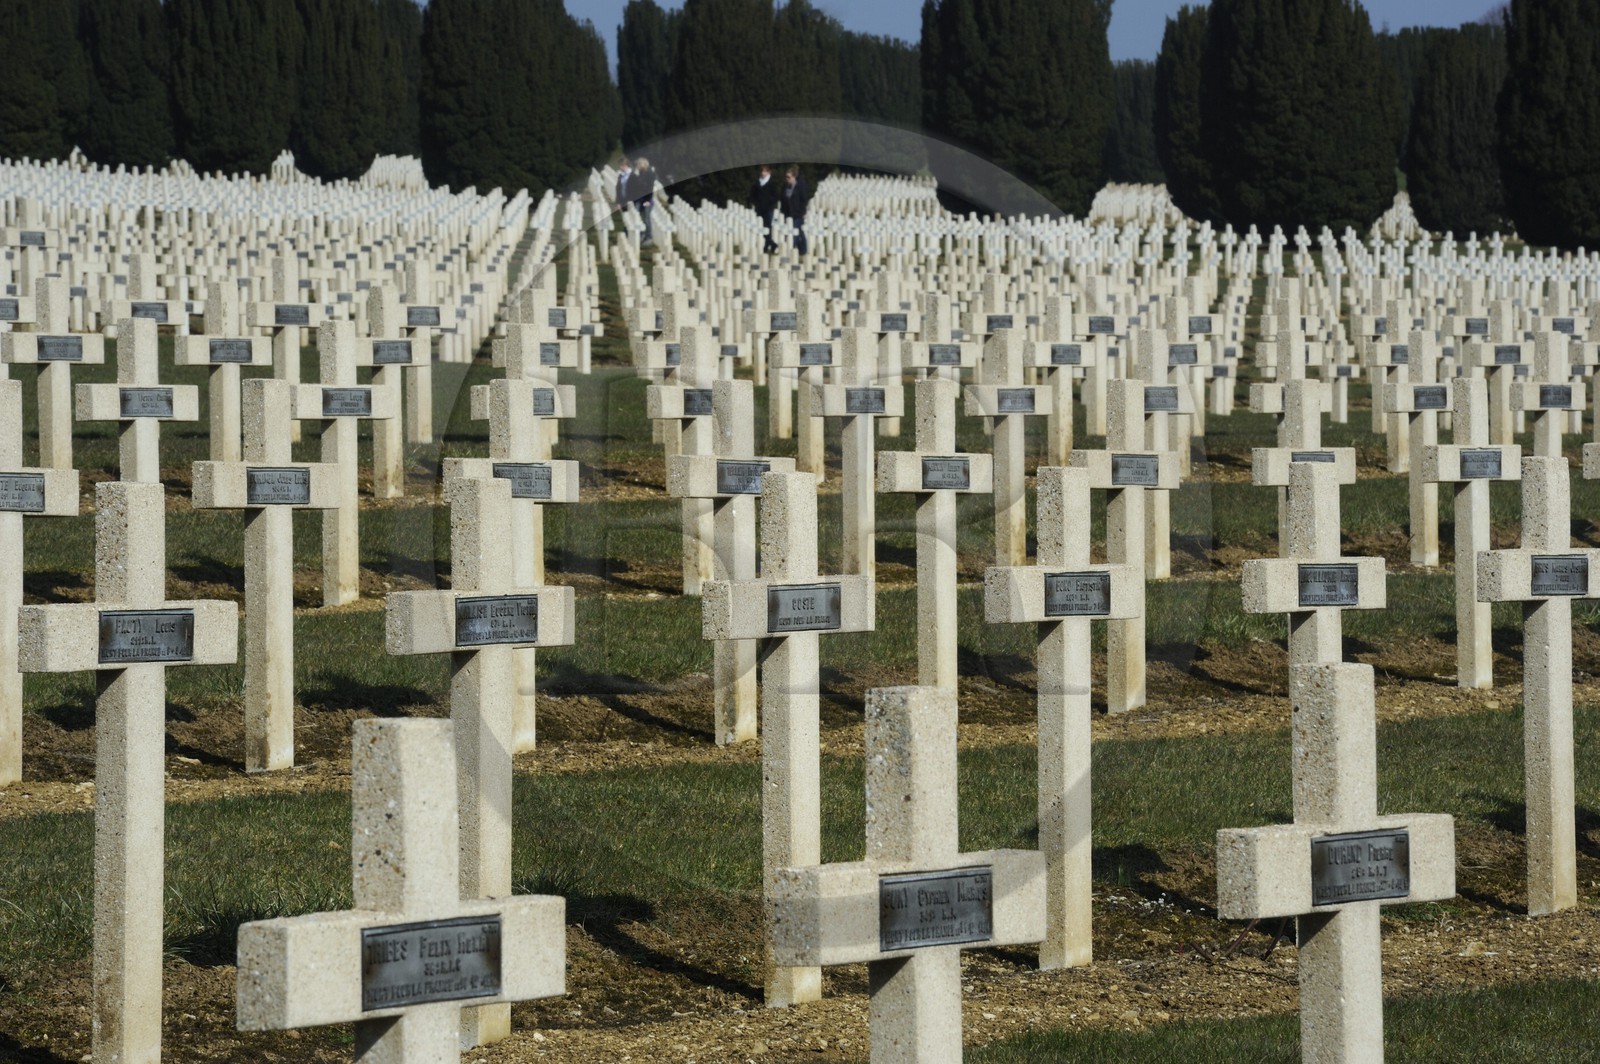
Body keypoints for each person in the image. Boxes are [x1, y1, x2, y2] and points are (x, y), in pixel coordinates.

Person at [781, 165, 810, 256]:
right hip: (788, 213)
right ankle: (802, 250)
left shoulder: (800, 186)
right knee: (798, 232)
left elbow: (804, 199)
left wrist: (802, 211)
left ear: (794, 177)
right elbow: (783, 198)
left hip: (798, 213)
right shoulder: (786, 186)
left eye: (788, 177)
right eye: (786, 177)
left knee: (795, 232)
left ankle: (793, 250)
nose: (787, 179)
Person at [751, 164, 780, 254]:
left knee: (767, 227)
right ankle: (771, 244)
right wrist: (755, 203)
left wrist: (769, 204)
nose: (763, 173)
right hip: (759, 209)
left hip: (768, 209)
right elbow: (753, 194)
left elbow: (775, 196)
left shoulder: (772, 183)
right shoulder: (757, 183)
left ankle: (768, 245)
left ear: (769, 172)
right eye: (762, 171)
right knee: (762, 228)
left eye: (765, 171)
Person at [628, 157, 656, 245]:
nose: (637, 166)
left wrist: (648, 200)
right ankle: (641, 235)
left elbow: (649, 188)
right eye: (637, 164)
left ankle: (649, 237)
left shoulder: (650, 173)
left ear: (644, 164)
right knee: (637, 217)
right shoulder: (637, 173)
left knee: (646, 218)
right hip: (638, 198)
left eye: (639, 164)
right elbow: (632, 185)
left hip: (647, 199)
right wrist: (634, 176)